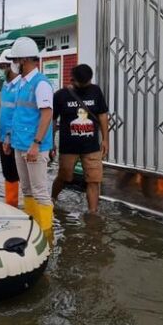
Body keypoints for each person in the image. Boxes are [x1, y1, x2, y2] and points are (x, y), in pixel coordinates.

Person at [6, 37, 54, 232]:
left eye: (15, 60)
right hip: (20, 144)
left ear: (24, 60)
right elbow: (18, 113)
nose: (13, 65)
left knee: (40, 192)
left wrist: (36, 143)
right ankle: (33, 230)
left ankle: (47, 235)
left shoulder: (40, 83)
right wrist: (9, 137)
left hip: (34, 146)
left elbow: (47, 114)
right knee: (27, 189)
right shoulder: (22, 83)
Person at [51, 64, 109, 214]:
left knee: (94, 179)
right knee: (64, 177)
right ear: (73, 80)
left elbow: (103, 115)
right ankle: (51, 200)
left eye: (87, 82)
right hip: (68, 147)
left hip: (91, 147)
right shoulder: (60, 95)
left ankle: (92, 213)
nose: (85, 86)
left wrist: (105, 140)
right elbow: (51, 120)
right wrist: (51, 143)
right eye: (81, 83)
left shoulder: (96, 91)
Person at [0, 50, 21, 207]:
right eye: (0, 66)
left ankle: (15, 206)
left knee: (14, 174)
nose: (1, 69)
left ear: (12, 65)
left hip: (14, 138)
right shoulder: (5, 86)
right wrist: (0, 137)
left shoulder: (20, 86)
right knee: (8, 172)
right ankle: (11, 204)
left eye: (4, 66)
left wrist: (8, 138)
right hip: (4, 137)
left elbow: (17, 115)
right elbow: (3, 114)